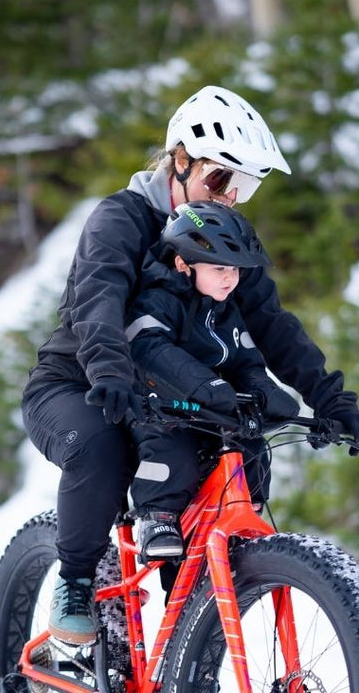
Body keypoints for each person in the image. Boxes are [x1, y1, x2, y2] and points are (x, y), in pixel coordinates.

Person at [21, 85, 359, 646]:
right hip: (81, 383)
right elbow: (99, 303)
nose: (231, 195)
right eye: (219, 178)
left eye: (246, 185)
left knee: (221, 459)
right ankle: (75, 580)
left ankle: (186, 632)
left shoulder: (221, 236)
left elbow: (273, 326)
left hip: (172, 391)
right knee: (103, 448)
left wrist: (331, 398)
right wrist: (110, 372)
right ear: (178, 162)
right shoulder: (122, 219)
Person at [126, 201, 302, 561]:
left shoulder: (224, 310)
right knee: (174, 451)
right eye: (219, 267)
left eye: (235, 269)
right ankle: (156, 517)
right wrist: (205, 387)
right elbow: (150, 348)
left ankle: (243, 514)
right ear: (182, 264)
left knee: (252, 449)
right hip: (157, 407)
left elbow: (246, 361)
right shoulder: (158, 301)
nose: (229, 278)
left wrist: (268, 394)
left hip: (209, 410)